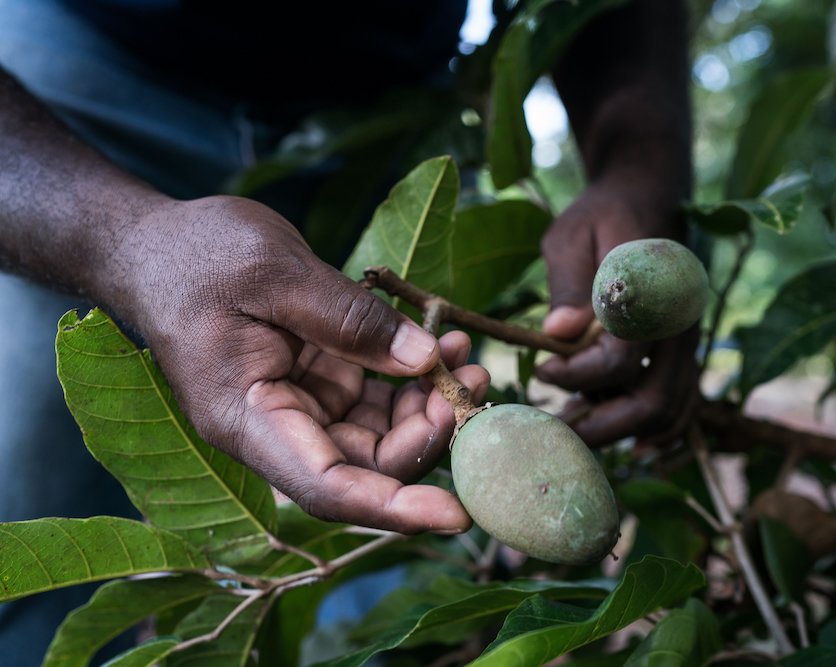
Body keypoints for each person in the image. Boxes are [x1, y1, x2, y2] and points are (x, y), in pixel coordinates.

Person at [0, 0, 693, 663]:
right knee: (29, 497)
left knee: (389, 522)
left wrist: (640, 165)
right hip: (72, 77)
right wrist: (127, 244)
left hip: (387, 100)